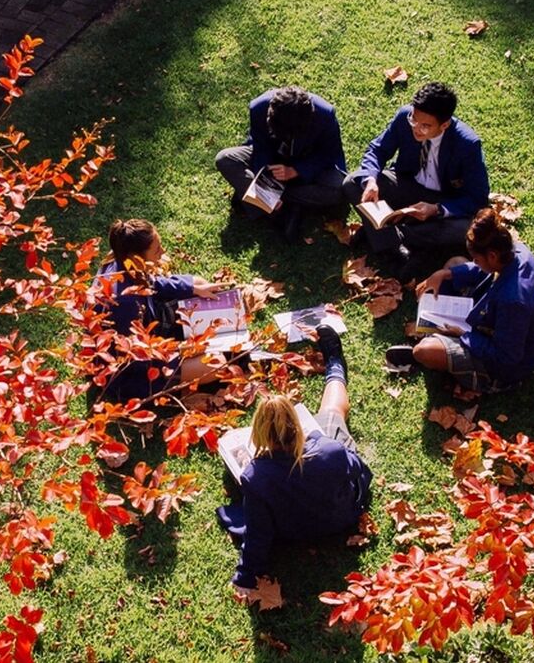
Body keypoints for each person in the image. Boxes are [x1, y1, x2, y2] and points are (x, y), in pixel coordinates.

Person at [220, 322, 372, 599]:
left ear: (260, 434)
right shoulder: (331, 450)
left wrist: (245, 575)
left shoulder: (256, 476)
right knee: (332, 410)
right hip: (339, 520)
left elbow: (258, 534)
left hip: (292, 532)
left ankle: (335, 361)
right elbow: (361, 472)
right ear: (297, 426)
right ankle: (334, 362)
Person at [386, 208, 534, 394]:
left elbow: (505, 358)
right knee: (455, 264)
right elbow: (479, 270)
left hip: (505, 368)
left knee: (423, 351)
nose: (475, 261)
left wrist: (463, 333)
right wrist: (445, 274)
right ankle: (442, 339)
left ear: (492, 256)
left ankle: (440, 347)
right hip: (494, 321)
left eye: (477, 259)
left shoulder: (513, 302)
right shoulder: (517, 251)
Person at [344, 82, 489, 277]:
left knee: (466, 228)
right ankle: (394, 246)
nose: (416, 128)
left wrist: (437, 209)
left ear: (444, 125)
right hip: (408, 185)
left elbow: (478, 198)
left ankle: (393, 236)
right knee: (353, 182)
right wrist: (371, 180)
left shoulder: (467, 144)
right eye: (414, 120)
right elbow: (378, 149)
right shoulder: (405, 117)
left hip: (444, 201)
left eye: (425, 126)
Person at [91, 219, 225, 417]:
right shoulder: (124, 304)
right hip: (133, 373)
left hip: (150, 322)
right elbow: (137, 360)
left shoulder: (122, 260)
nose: (162, 253)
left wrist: (193, 288)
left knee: (198, 283)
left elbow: (153, 283)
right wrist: (180, 351)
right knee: (216, 363)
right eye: (156, 250)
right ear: (136, 257)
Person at [215, 86, 348, 237]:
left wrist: (297, 170)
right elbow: (260, 147)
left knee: (339, 189)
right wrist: (265, 181)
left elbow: (330, 154)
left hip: (307, 162)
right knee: (225, 159)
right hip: (271, 160)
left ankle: (265, 201)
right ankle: (274, 203)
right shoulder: (258, 107)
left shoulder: (325, 114)